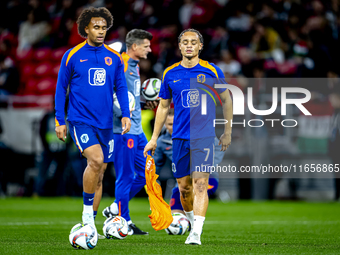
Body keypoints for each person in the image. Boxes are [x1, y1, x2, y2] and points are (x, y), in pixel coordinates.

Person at [144, 28, 233, 245]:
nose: (189, 45)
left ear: (200, 46)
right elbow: (163, 107)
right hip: (180, 138)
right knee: (184, 188)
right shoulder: (169, 74)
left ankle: (196, 234)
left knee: (200, 184)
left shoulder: (212, 71)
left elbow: (227, 99)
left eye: (194, 42)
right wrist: (154, 137)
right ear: (180, 46)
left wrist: (227, 132)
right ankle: (192, 223)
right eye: (185, 42)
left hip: (204, 137)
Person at [54, 7, 131, 236]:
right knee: (95, 161)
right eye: (96, 27)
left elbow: (122, 87)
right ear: (85, 28)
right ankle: (86, 219)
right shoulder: (72, 55)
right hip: (80, 120)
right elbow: (61, 89)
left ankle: (91, 225)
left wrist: (126, 113)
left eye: (104, 28)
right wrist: (60, 120)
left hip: (106, 123)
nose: (101, 31)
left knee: (100, 173)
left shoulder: (114, 58)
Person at [102, 29, 154, 235]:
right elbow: (108, 95)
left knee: (145, 174)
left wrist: (142, 102)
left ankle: (116, 207)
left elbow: (128, 96)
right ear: (134, 47)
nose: (150, 49)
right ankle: (124, 220)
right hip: (124, 131)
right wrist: (122, 113)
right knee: (125, 176)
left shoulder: (134, 66)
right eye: (146, 46)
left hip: (138, 131)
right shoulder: (120, 64)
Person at [153, 109, 221, 218]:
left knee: (195, 192)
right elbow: (155, 165)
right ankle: (185, 224)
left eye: (176, 123)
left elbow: (218, 146)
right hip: (182, 182)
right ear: (165, 125)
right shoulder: (162, 141)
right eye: (170, 124)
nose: (174, 127)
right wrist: (151, 185)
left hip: (207, 178)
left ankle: (196, 227)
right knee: (175, 217)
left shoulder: (197, 134)